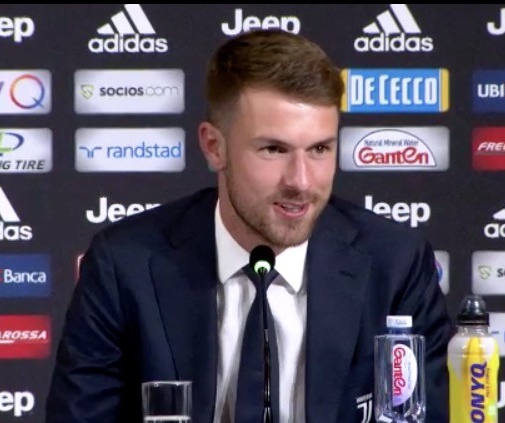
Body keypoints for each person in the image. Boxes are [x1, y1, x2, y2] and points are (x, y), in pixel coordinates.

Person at [46, 29, 452, 423]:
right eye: (273, 149)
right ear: (214, 147)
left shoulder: (395, 266)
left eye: (319, 149)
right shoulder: (124, 265)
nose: (301, 181)